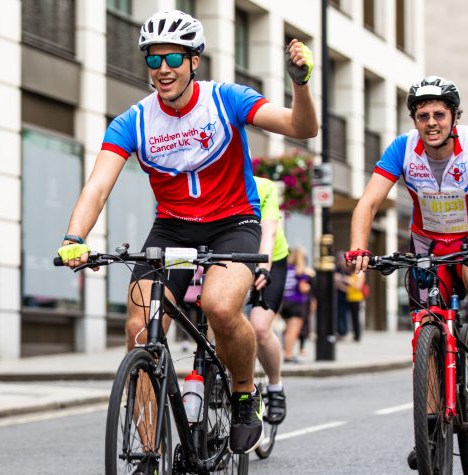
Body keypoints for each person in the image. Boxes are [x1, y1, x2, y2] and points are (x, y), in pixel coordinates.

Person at [56, 9, 318, 457]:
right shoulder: (133, 121)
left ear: (195, 60)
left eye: (173, 58)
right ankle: (146, 450)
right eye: (153, 60)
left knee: (219, 304)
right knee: (140, 324)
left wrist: (300, 83)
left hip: (234, 222)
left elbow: (302, 128)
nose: (162, 70)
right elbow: (98, 185)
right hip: (173, 228)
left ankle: (242, 394)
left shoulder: (227, 100)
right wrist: (73, 237)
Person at [347, 76, 468, 471]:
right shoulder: (402, 149)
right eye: (422, 115)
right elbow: (368, 203)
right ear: (414, 119)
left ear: (454, 117)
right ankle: (428, 428)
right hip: (428, 243)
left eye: (439, 114)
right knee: (426, 323)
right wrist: (360, 247)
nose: (431, 122)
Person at [249, 176, 289, 425]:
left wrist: (263, 266)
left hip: (271, 259)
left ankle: (275, 388)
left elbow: (270, 230)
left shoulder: (264, 187)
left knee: (260, 328)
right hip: (233, 258)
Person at [280, 246, 313, 363]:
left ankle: (287, 352)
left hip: (285, 302)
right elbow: (303, 288)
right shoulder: (300, 271)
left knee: (288, 329)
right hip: (297, 303)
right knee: (293, 331)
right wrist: (309, 286)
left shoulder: (287, 269)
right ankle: (288, 354)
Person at [345, 268, 366, 342]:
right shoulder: (353, 272)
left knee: (356, 317)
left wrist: (349, 281)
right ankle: (355, 335)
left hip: (356, 298)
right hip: (351, 298)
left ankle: (357, 335)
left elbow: (358, 286)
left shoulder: (360, 273)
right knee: (353, 318)